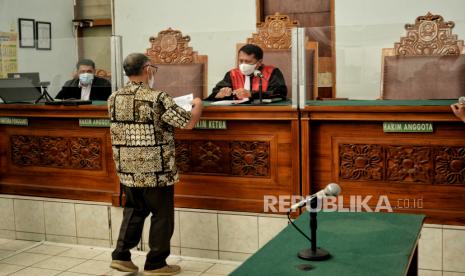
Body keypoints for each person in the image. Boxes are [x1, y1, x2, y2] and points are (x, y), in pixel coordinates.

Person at [108, 53, 203, 275]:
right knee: (161, 214)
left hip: (127, 167)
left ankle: (121, 256)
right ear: (148, 69)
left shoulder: (113, 97)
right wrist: (198, 105)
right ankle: (156, 263)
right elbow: (187, 123)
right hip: (156, 168)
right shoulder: (157, 97)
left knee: (133, 210)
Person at [206, 43, 287, 101]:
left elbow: (280, 94)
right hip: (236, 114)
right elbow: (214, 93)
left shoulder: (272, 72)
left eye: (248, 61)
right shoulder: (232, 74)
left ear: (259, 62)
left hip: (265, 113)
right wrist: (220, 94)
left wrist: (251, 94)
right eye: (241, 61)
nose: (243, 64)